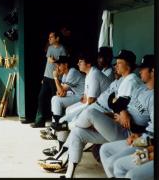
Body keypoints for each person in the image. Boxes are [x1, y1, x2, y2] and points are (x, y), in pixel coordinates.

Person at [40, 50, 149, 178]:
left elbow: (118, 105)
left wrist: (120, 110)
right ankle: (69, 174)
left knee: (90, 113)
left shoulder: (132, 81)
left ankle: (67, 126)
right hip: (115, 124)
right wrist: (119, 109)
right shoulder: (123, 81)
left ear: (128, 65)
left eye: (119, 63)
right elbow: (114, 103)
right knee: (78, 132)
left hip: (126, 132)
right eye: (116, 63)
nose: (116, 65)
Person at [100, 54, 154, 178]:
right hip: (141, 139)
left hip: (146, 144)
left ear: (153, 71)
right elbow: (117, 102)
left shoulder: (153, 97)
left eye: (144, 68)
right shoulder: (141, 88)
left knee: (119, 165)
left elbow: (151, 136)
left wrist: (138, 140)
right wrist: (123, 111)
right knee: (105, 150)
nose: (140, 71)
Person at [31, 31, 67, 128]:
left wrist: (54, 61)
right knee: (41, 97)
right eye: (49, 37)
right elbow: (48, 60)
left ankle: (56, 123)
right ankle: (39, 121)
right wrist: (44, 77)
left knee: (55, 100)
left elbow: (62, 64)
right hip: (47, 77)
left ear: (57, 38)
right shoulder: (50, 48)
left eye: (51, 37)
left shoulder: (62, 49)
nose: (49, 39)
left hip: (56, 79)